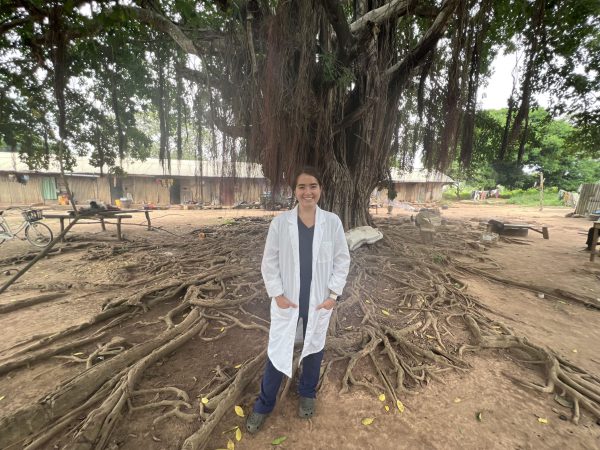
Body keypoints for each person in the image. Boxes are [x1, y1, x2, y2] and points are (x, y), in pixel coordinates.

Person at [246, 166, 351, 433]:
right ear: (295, 191)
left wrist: (332, 295)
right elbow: (269, 261)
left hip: (318, 301)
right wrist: (277, 294)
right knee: (277, 350)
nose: (308, 192)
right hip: (288, 301)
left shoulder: (332, 222)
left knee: (314, 348)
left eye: (313, 186)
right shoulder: (280, 223)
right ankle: (264, 404)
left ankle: (307, 394)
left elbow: (342, 259)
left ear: (320, 190)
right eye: (302, 187)